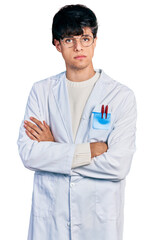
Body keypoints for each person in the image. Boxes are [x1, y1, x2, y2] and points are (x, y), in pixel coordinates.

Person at [17, 4, 137, 240]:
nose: (79, 47)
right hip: (51, 222)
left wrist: (54, 149)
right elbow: (29, 153)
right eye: (69, 40)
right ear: (57, 44)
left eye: (85, 38)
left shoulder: (120, 96)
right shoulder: (41, 92)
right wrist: (90, 151)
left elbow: (119, 164)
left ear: (95, 41)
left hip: (98, 221)